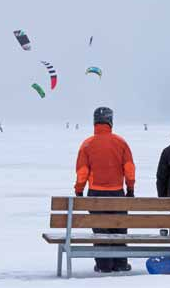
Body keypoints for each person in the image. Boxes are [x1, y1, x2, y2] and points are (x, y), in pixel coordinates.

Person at [74, 107, 136, 273]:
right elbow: (129, 169)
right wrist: (130, 189)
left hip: (96, 194)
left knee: (100, 230)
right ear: (111, 121)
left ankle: (104, 265)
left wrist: (79, 190)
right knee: (119, 229)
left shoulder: (87, 144)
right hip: (117, 193)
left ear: (95, 122)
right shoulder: (121, 142)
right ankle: (121, 263)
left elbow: (82, 171)